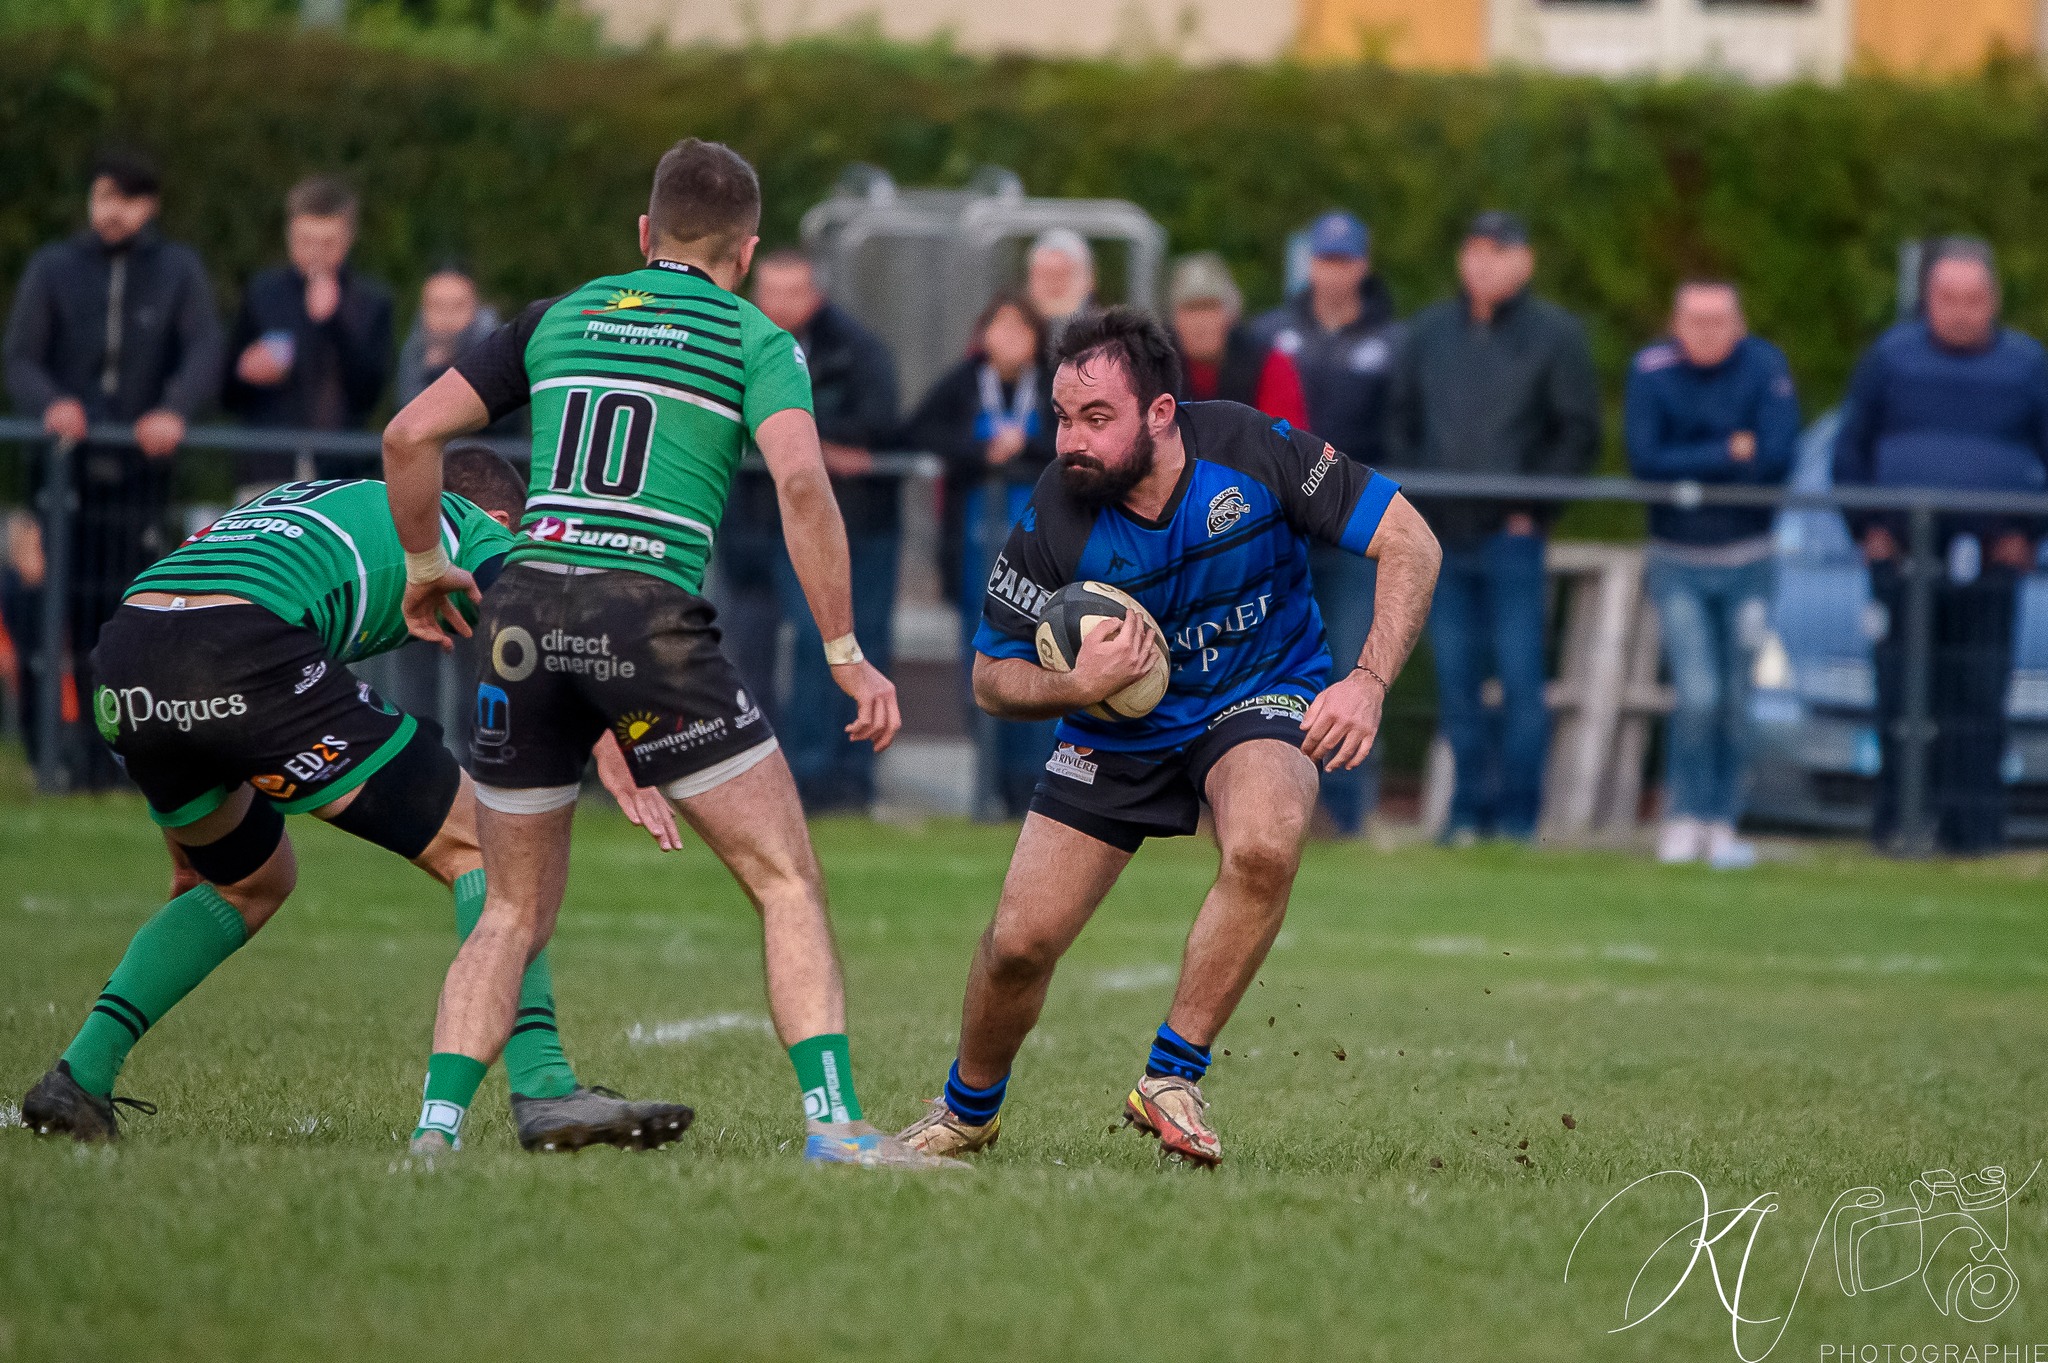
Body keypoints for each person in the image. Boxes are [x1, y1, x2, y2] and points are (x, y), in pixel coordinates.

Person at [383, 138, 948, 1169]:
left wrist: (425, 560)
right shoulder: (754, 338)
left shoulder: (556, 317)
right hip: (642, 614)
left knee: (509, 907)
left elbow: (408, 435)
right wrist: (844, 649)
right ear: (746, 250)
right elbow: (803, 486)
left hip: (520, 609)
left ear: (643, 234)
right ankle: (832, 1124)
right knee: (784, 878)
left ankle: (435, 1132)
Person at [18, 446, 694, 1152]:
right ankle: (547, 1086)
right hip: (240, 647)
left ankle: (80, 1074)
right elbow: (536, 627)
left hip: (126, 658)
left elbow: (187, 621)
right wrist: (616, 741)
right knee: (488, 847)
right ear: (496, 515)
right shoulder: (464, 520)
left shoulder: (309, 500)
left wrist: (191, 853)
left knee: (249, 881)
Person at [895, 309, 1440, 1166]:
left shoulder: (1254, 449)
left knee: (1263, 844)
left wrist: (1365, 683)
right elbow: (991, 677)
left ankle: (1171, 1074)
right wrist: (1077, 686)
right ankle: (968, 1111)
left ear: (1160, 412)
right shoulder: (1058, 511)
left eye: (1097, 419)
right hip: (1116, 729)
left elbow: (1411, 538)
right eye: (1064, 417)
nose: (1072, 440)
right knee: (1017, 944)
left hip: (1259, 691)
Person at [3, 147, 224, 789]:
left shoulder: (178, 270)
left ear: (148, 206)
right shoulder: (53, 267)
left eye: (123, 200)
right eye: (101, 197)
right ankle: (56, 759)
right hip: (60, 477)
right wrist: (51, 406)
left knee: (134, 617)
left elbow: (205, 348)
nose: (109, 212)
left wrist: (174, 410)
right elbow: (21, 358)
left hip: (139, 482)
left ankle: (125, 757)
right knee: (51, 615)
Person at [1388, 210, 1601, 843]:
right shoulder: (1427, 334)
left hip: (1512, 540)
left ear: (1525, 262)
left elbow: (1577, 432)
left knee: (1519, 682)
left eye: (1499, 252)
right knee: (1454, 681)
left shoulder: (1557, 336)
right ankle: (1463, 815)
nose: (1485, 263)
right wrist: (1419, 506)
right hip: (1441, 538)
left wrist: (1531, 510)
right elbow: (1400, 424)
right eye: (1476, 250)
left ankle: (1516, 820)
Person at [1833, 237, 2048, 856]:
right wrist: (1866, 527)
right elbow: (1852, 450)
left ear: (1994, 300)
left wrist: (2027, 534)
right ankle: (1899, 824)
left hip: (1988, 564)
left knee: (1978, 694)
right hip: (1904, 557)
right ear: (1928, 300)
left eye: (1972, 299)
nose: (1959, 310)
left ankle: (1974, 831)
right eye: (1947, 298)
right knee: (1901, 691)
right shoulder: (1889, 360)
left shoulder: (2027, 365)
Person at [715, 249, 901, 814]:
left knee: (831, 651)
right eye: (769, 291)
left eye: (794, 291)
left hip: (835, 527)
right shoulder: (733, 341)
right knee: (745, 655)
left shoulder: (856, 350)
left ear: (816, 295)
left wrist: (796, 443)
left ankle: (833, 780)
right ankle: (760, 775)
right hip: (751, 526)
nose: (779, 304)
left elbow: (883, 424)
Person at [1626, 281, 1800, 868]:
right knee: (1696, 694)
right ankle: (1684, 814)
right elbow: (1646, 461)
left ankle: (1722, 819)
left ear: (1740, 322)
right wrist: (1729, 451)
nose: (1707, 331)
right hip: (1678, 557)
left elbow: (1777, 456)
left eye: (1719, 318)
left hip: (1750, 557)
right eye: (1695, 319)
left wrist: (1696, 464)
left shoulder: (1766, 367)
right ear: (1675, 324)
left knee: (1736, 696)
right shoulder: (1651, 371)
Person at [1250, 212, 1403, 836]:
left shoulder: (1395, 341)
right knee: (1263, 664)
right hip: (1278, 533)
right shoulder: (1269, 333)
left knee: (1350, 664)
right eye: (1323, 258)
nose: (1332, 271)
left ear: (1362, 265)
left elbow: (1403, 434)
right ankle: (1264, 803)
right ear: (1307, 262)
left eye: (1344, 260)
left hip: (1352, 532)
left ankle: (1344, 811)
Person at [902, 291, 1061, 813]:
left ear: (1037, 339)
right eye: (1000, 327)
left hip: (1050, 551)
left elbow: (1086, 441)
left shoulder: (1058, 384)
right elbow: (916, 431)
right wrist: (978, 453)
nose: (1009, 340)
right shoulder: (966, 381)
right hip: (974, 551)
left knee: (1048, 656)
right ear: (983, 335)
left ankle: (1033, 784)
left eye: (1021, 329)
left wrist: (1028, 450)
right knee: (985, 655)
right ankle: (987, 782)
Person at [223, 175, 394, 492]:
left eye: (327, 243)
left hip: (341, 473)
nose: (315, 253)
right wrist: (246, 371)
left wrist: (334, 323)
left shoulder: (369, 302)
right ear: (289, 234)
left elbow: (369, 394)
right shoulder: (264, 293)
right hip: (267, 468)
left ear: (348, 238)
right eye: (305, 241)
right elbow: (227, 393)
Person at [1168, 252, 1307, 426]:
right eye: (1191, 309)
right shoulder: (1152, 368)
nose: (1200, 322)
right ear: (1174, 318)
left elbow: (1286, 443)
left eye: (1210, 308)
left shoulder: (1268, 365)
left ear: (1231, 314)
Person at [396, 265, 502, 409]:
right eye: (437, 306)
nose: (447, 317)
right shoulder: (415, 349)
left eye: (457, 306)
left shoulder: (499, 352)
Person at [1026, 229, 1097, 350]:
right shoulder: (1016, 334)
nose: (1052, 284)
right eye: (1044, 275)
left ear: (1089, 281)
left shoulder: (1104, 335)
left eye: (1062, 275)